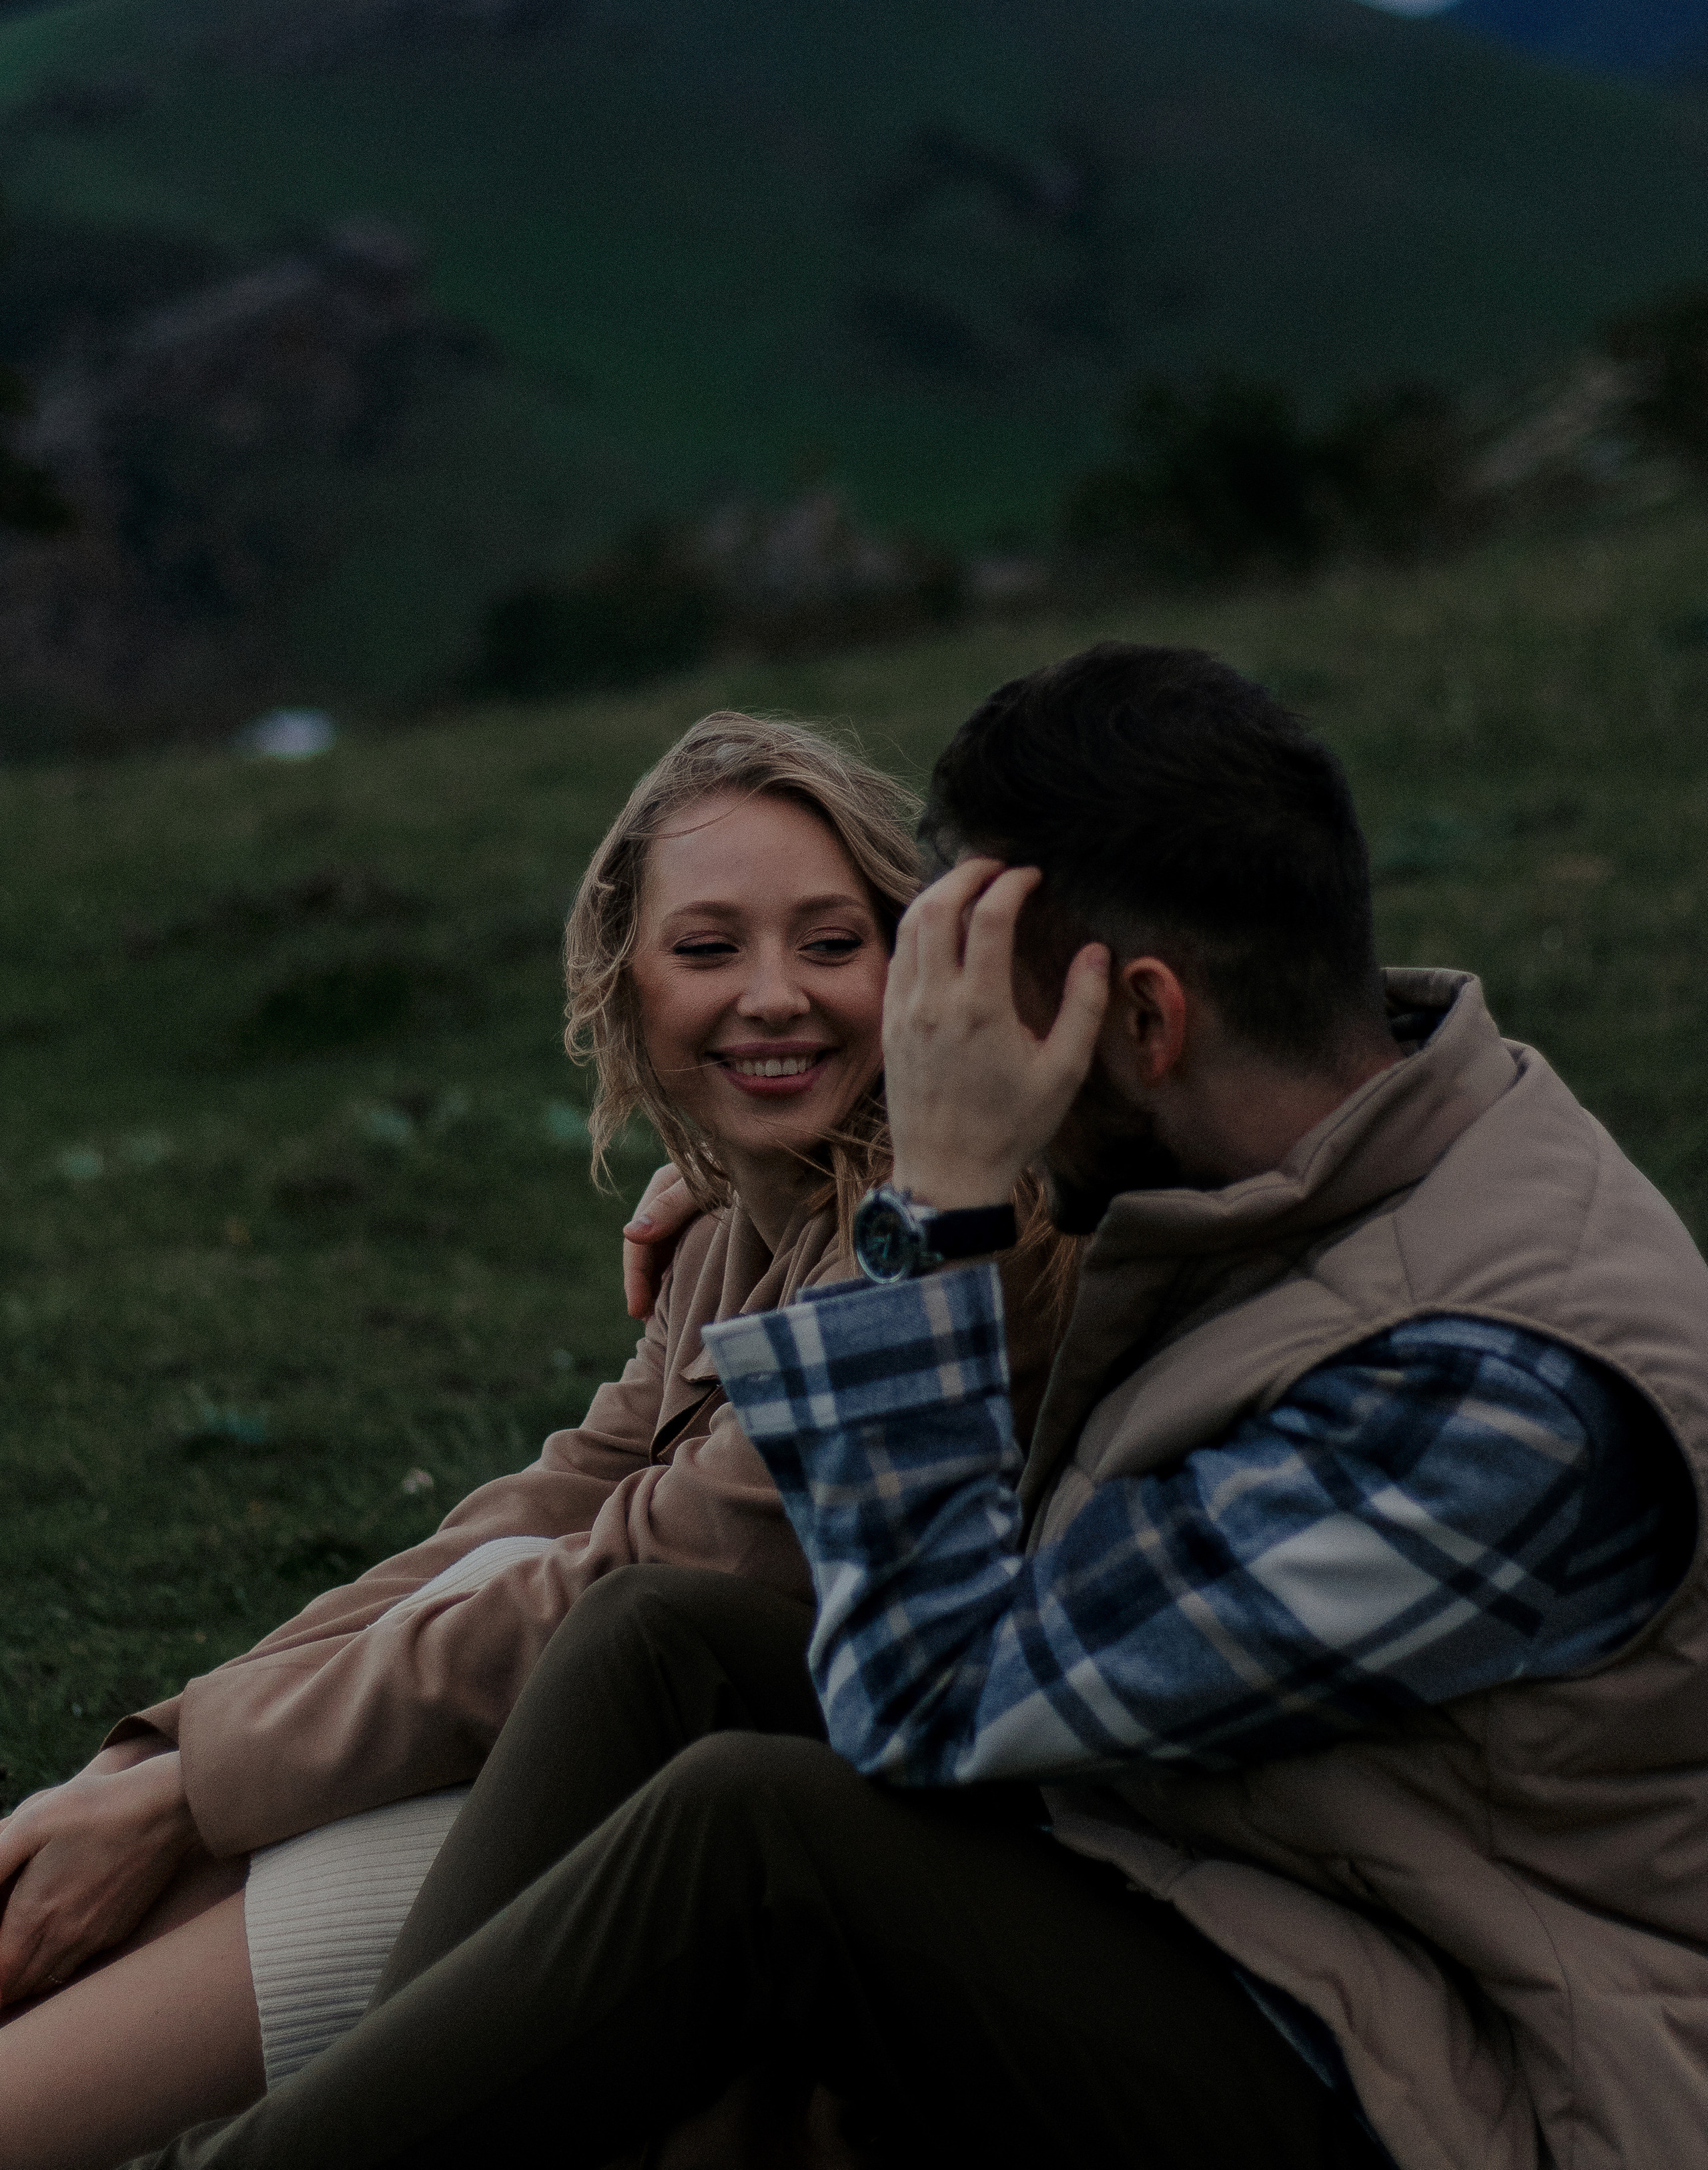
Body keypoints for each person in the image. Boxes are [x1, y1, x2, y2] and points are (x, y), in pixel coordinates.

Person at [105, 639, 1708, 2170]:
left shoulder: (1495, 1398)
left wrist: (933, 1209)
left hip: (1457, 2080)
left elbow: (931, 1702)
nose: (930, 1064)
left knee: (760, 1844)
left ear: (1138, 1020)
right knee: (652, 1639)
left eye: (969, 1015)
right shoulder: (1282, 1142)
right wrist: (772, 1180)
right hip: (1249, 1892)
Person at [0, 709, 1071, 2170]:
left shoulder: (955, 1248)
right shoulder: (736, 1231)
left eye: (831, 943)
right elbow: (533, 1512)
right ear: (619, 989)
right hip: (612, 1782)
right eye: (707, 951)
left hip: (776, 1852)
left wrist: (200, 1788)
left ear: (912, 971)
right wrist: (170, 1754)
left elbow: (624, 1581)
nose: (775, 998)